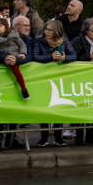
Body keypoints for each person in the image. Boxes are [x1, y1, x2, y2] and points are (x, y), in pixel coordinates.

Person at [31, 19, 78, 147]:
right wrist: (50, 57)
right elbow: (35, 57)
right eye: (45, 29)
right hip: (43, 78)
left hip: (59, 79)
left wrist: (64, 58)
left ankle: (58, 137)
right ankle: (44, 137)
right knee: (43, 108)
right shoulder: (39, 41)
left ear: (56, 31)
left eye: (49, 30)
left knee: (58, 108)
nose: (46, 32)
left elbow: (74, 55)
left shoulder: (64, 41)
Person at [0, 17, 29, 99]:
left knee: (15, 70)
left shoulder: (14, 35)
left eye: (0, 26)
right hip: (1, 57)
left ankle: (24, 89)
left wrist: (22, 53)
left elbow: (22, 45)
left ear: (6, 27)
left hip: (13, 56)